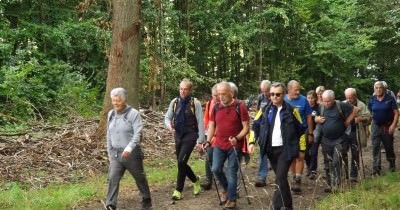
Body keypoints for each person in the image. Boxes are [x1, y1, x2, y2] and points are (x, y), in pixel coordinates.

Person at [248, 82, 303, 209]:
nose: (274, 97)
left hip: (286, 150)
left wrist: (302, 149)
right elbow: (254, 126)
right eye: (272, 94)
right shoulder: (264, 110)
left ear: (283, 95)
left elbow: (301, 130)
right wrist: (252, 142)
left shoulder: (292, 110)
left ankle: (275, 206)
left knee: (280, 177)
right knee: (281, 179)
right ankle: (289, 206)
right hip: (270, 150)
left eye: (277, 94)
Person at [205, 81, 250, 209]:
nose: (221, 97)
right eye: (218, 94)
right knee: (215, 169)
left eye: (223, 94)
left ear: (231, 93)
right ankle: (227, 190)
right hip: (219, 143)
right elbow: (212, 125)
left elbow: (246, 127)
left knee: (231, 172)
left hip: (234, 145)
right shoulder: (216, 107)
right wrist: (208, 141)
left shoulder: (239, 106)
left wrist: (237, 138)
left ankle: (232, 200)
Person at [106, 87, 152, 210]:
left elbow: (138, 134)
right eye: (113, 100)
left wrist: (129, 148)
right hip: (116, 154)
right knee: (112, 178)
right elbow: (109, 135)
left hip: (132, 154)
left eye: (118, 100)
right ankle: (111, 204)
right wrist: (110, 152)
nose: (115, 103)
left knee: (140, 178)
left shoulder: (133, 114)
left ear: (124, 100)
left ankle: (146, 201)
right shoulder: (110, 114)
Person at [164, 79, 205, 200]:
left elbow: (200, 122)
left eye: (185, 89)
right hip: (178, 135)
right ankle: (195, 180)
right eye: (181, 89)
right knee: (181, 162)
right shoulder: (175, 102)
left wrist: (200, 140)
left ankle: (178, 190)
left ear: (190, 90)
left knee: (181, 162)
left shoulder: (195, 103)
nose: (182, 91)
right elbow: (167, 118)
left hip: (191, 135)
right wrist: (169, 126)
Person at [315, 90, 358, 192]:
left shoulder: (340, 105)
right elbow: (315, 117)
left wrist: (347, 121)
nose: (326, 103)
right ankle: (330, 184)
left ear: (333, 99)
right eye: (324, 101)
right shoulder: (321, 106)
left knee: (336, 161)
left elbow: (356, 109)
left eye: (328, 101)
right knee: (327, 163)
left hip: (339, 139)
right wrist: (316, 119)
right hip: (325, 140)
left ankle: (337, 184)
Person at [284, 80, 314, 193]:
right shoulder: (284, 100)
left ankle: (298, 179)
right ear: (289, 90)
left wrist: (310, 133)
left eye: (299, 89)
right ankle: (293, 176)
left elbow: (309, 117)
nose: (298, 92)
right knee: (292, 157)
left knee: (300, 156)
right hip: (288, 134)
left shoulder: (303, 100)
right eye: (295, 89)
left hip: (302, 133)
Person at [368, 81, 398, 175]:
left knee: (388, 147)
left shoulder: (390, 99)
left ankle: (392, 165)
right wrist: (368, 124)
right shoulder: (372, 99)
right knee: (375, 147)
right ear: (374, 89)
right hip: (376, 126)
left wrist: (393, 125)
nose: (378, 89)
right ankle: (376, 169)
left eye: (380, 87)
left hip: (387, 126)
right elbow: (370, 113)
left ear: (384, 89)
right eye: (376, 88)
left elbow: (396, 113)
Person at [344, 88, 371, 182]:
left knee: (355, 153)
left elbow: (368, 117)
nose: (348, 100)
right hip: (345, 133)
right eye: (346, 98)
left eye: (350, 98)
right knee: (343, 153)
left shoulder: (361, 105)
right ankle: (344, 174)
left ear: (355, 96)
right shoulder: (343, 104)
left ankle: (354, 175)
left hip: (356, 132)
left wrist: (360, 119)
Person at [253, 80, 271, 187]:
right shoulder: (261, 97)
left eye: (267, 91)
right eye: (263, 91)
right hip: (263, 127)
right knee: (262, 152)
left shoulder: (276, 96)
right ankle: (261, 177)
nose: (265, 93)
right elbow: (258, 112)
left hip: (274, 129)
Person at [201, 84, 219, 190]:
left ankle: (221, 180)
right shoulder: (209, 104)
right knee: (209, 156)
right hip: (209, 135)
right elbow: (206, 120)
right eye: (214, 95)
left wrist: (214, 135)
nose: (216, 98)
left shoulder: (223, 104)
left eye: (217, 95)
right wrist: (205, 135)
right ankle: (208, 180)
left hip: (220, 135)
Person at [305, 90, 320, 180]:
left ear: (315, 98)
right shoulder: (305, 107)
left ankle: (313, 170)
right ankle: (308, 167)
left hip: (315, 132)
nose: (310, 100)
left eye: (312, 98)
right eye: (309, 98)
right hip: (305, 132)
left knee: (313, 151)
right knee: (306, 152)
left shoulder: (318, 108)